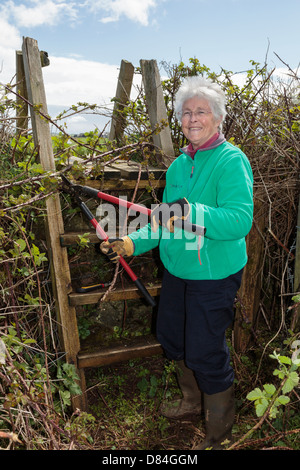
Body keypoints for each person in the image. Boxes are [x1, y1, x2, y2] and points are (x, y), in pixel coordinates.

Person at [100, 76, 253, 450]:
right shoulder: (178, 167)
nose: (192, 118)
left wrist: (194, 211)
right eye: (186, 112)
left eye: (201, 111)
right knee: (173, 337)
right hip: (178, 272)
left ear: (217, 118)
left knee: (206, 350)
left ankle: (219, 436)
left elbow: (239, 221)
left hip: (214, 275)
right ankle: (190, 402)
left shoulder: (232, 161)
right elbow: (163, 222)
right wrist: (130, 242)